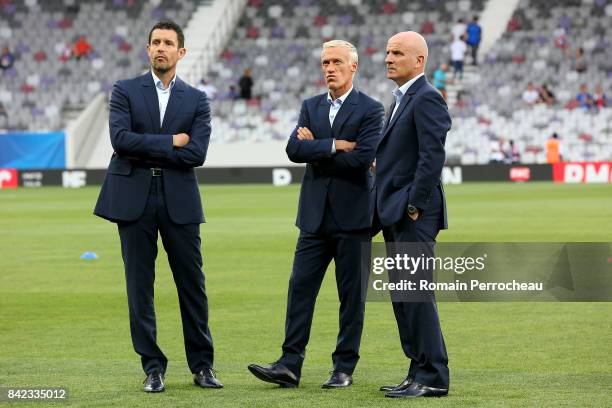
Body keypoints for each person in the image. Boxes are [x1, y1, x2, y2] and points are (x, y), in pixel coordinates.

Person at [93, 20, 223, 393]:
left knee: (192, 285)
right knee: (140, 287)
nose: (160, 48)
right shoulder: (124, 90)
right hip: (132, 199)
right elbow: (120, 140)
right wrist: (172, 142)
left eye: (168, 43)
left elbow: (196, 153)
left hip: (179, 200)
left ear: (181, 52)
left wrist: (150, 145)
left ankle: (203, 366)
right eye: (155, 42)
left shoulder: (197, 99)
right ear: (147, 49)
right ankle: (153, 367)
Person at [247, 40, 384, 389]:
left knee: (350, 297)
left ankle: (343, 368)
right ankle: (289, 364)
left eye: (337, 62)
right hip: (313, 218)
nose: (329, 68)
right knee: (300, 289)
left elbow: (361, 160)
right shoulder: (310, 106)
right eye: (325, 62)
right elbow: (294, 149)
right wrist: (335, 144)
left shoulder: (371, 109)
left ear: (353, 67)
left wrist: (316, 146)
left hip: (354, 219)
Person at [374, 31, 450, 398]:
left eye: (397, 53)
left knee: (416, 294)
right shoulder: (404, 98)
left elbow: (432, 156)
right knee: (404, 296)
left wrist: (415, 204)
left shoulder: (427, 98)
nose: (388, 58)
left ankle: (433, 375)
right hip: (397, 211)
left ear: (419, 60)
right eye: (388, 52)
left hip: (414, 213)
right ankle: (417, 368)